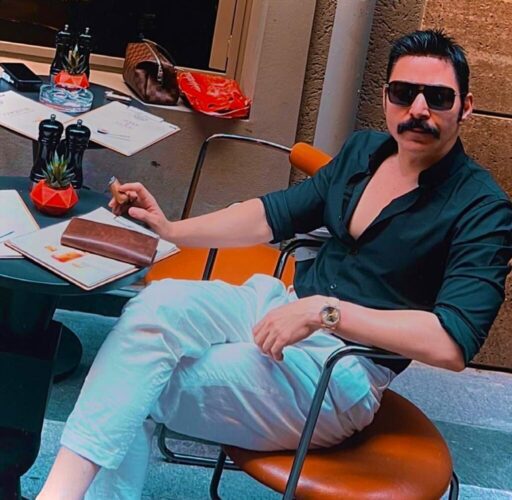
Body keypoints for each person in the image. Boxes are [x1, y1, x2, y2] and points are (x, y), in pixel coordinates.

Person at [38, 29, 512, 499]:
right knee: (152, 310)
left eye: (438, 97)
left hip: (342, 369)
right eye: (404, 93)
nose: (418, 109)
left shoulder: (482, 208)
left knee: (138, 378)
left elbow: (451, 343)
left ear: (465, 106)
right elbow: (272, 215)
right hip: (279, 305)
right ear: (387, 96)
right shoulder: (365, 152)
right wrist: (172, 229)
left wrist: (325, 312)